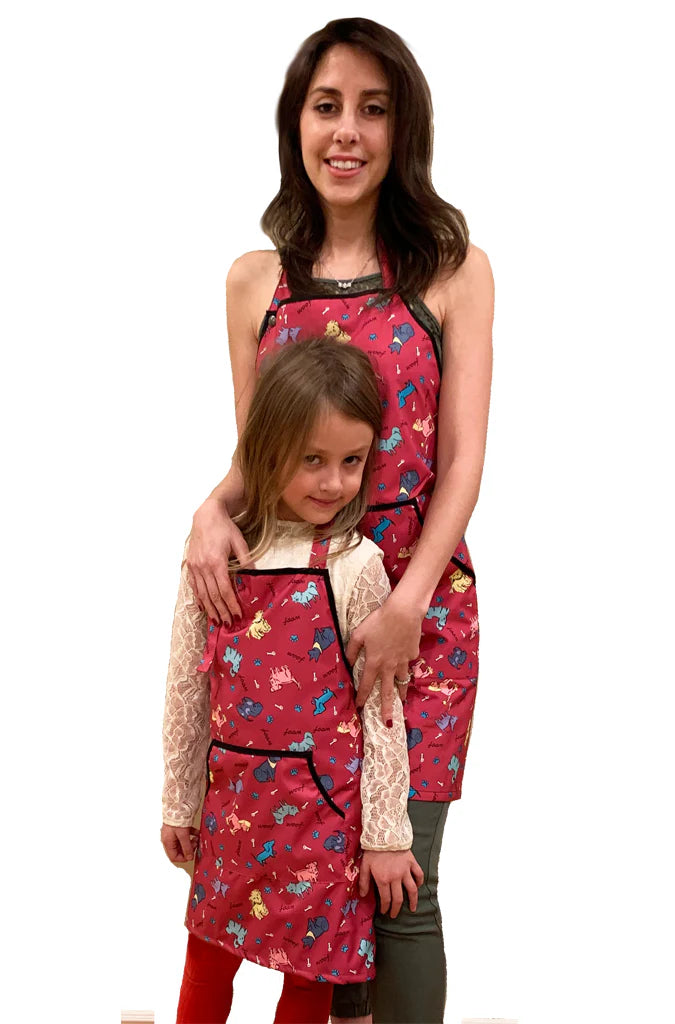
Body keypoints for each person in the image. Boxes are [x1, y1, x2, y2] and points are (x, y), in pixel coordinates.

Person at [185, 17, 494, 1024]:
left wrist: (406, 606)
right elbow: (257, 459)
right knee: (312, 896)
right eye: (326, 107)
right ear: (297, 124)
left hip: (417, 615)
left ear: (404, 128)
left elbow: (460, 465)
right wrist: (207, 512)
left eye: (373, 108)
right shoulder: (256, 282)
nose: (347, 131)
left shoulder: (452, 270)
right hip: (289, 628)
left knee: (398, 887)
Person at [162, 337, 424, 1024]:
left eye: (351, 461)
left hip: (323, 820)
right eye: (312, 459)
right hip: (232, 809)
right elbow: (186, 691)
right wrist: (179, 802)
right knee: (206, 959)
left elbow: (382, 709)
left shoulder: (356, 564)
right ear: (267, 447)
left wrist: (386, 834)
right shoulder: (214, 556)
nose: (333, 482)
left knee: (311, 976)